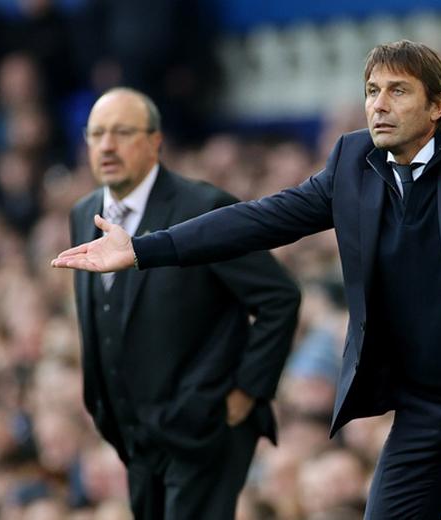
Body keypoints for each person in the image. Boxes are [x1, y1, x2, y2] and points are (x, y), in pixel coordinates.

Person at [53, 42, 441, 519]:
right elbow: (260, 219)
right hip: (421, 406)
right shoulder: (354, 162)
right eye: (372, 91)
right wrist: (143, 248)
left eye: (397, 91)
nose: (379, 104)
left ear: (437, 105)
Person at [63, 87, 301, 519]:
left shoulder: (203, 206)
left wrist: (248, 390)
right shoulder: (84, 212)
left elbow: (279, 296)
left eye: (122, 132)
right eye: (96, 134)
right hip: (133, 435)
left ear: (155, 141)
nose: (107, 145)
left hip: (205, 429)